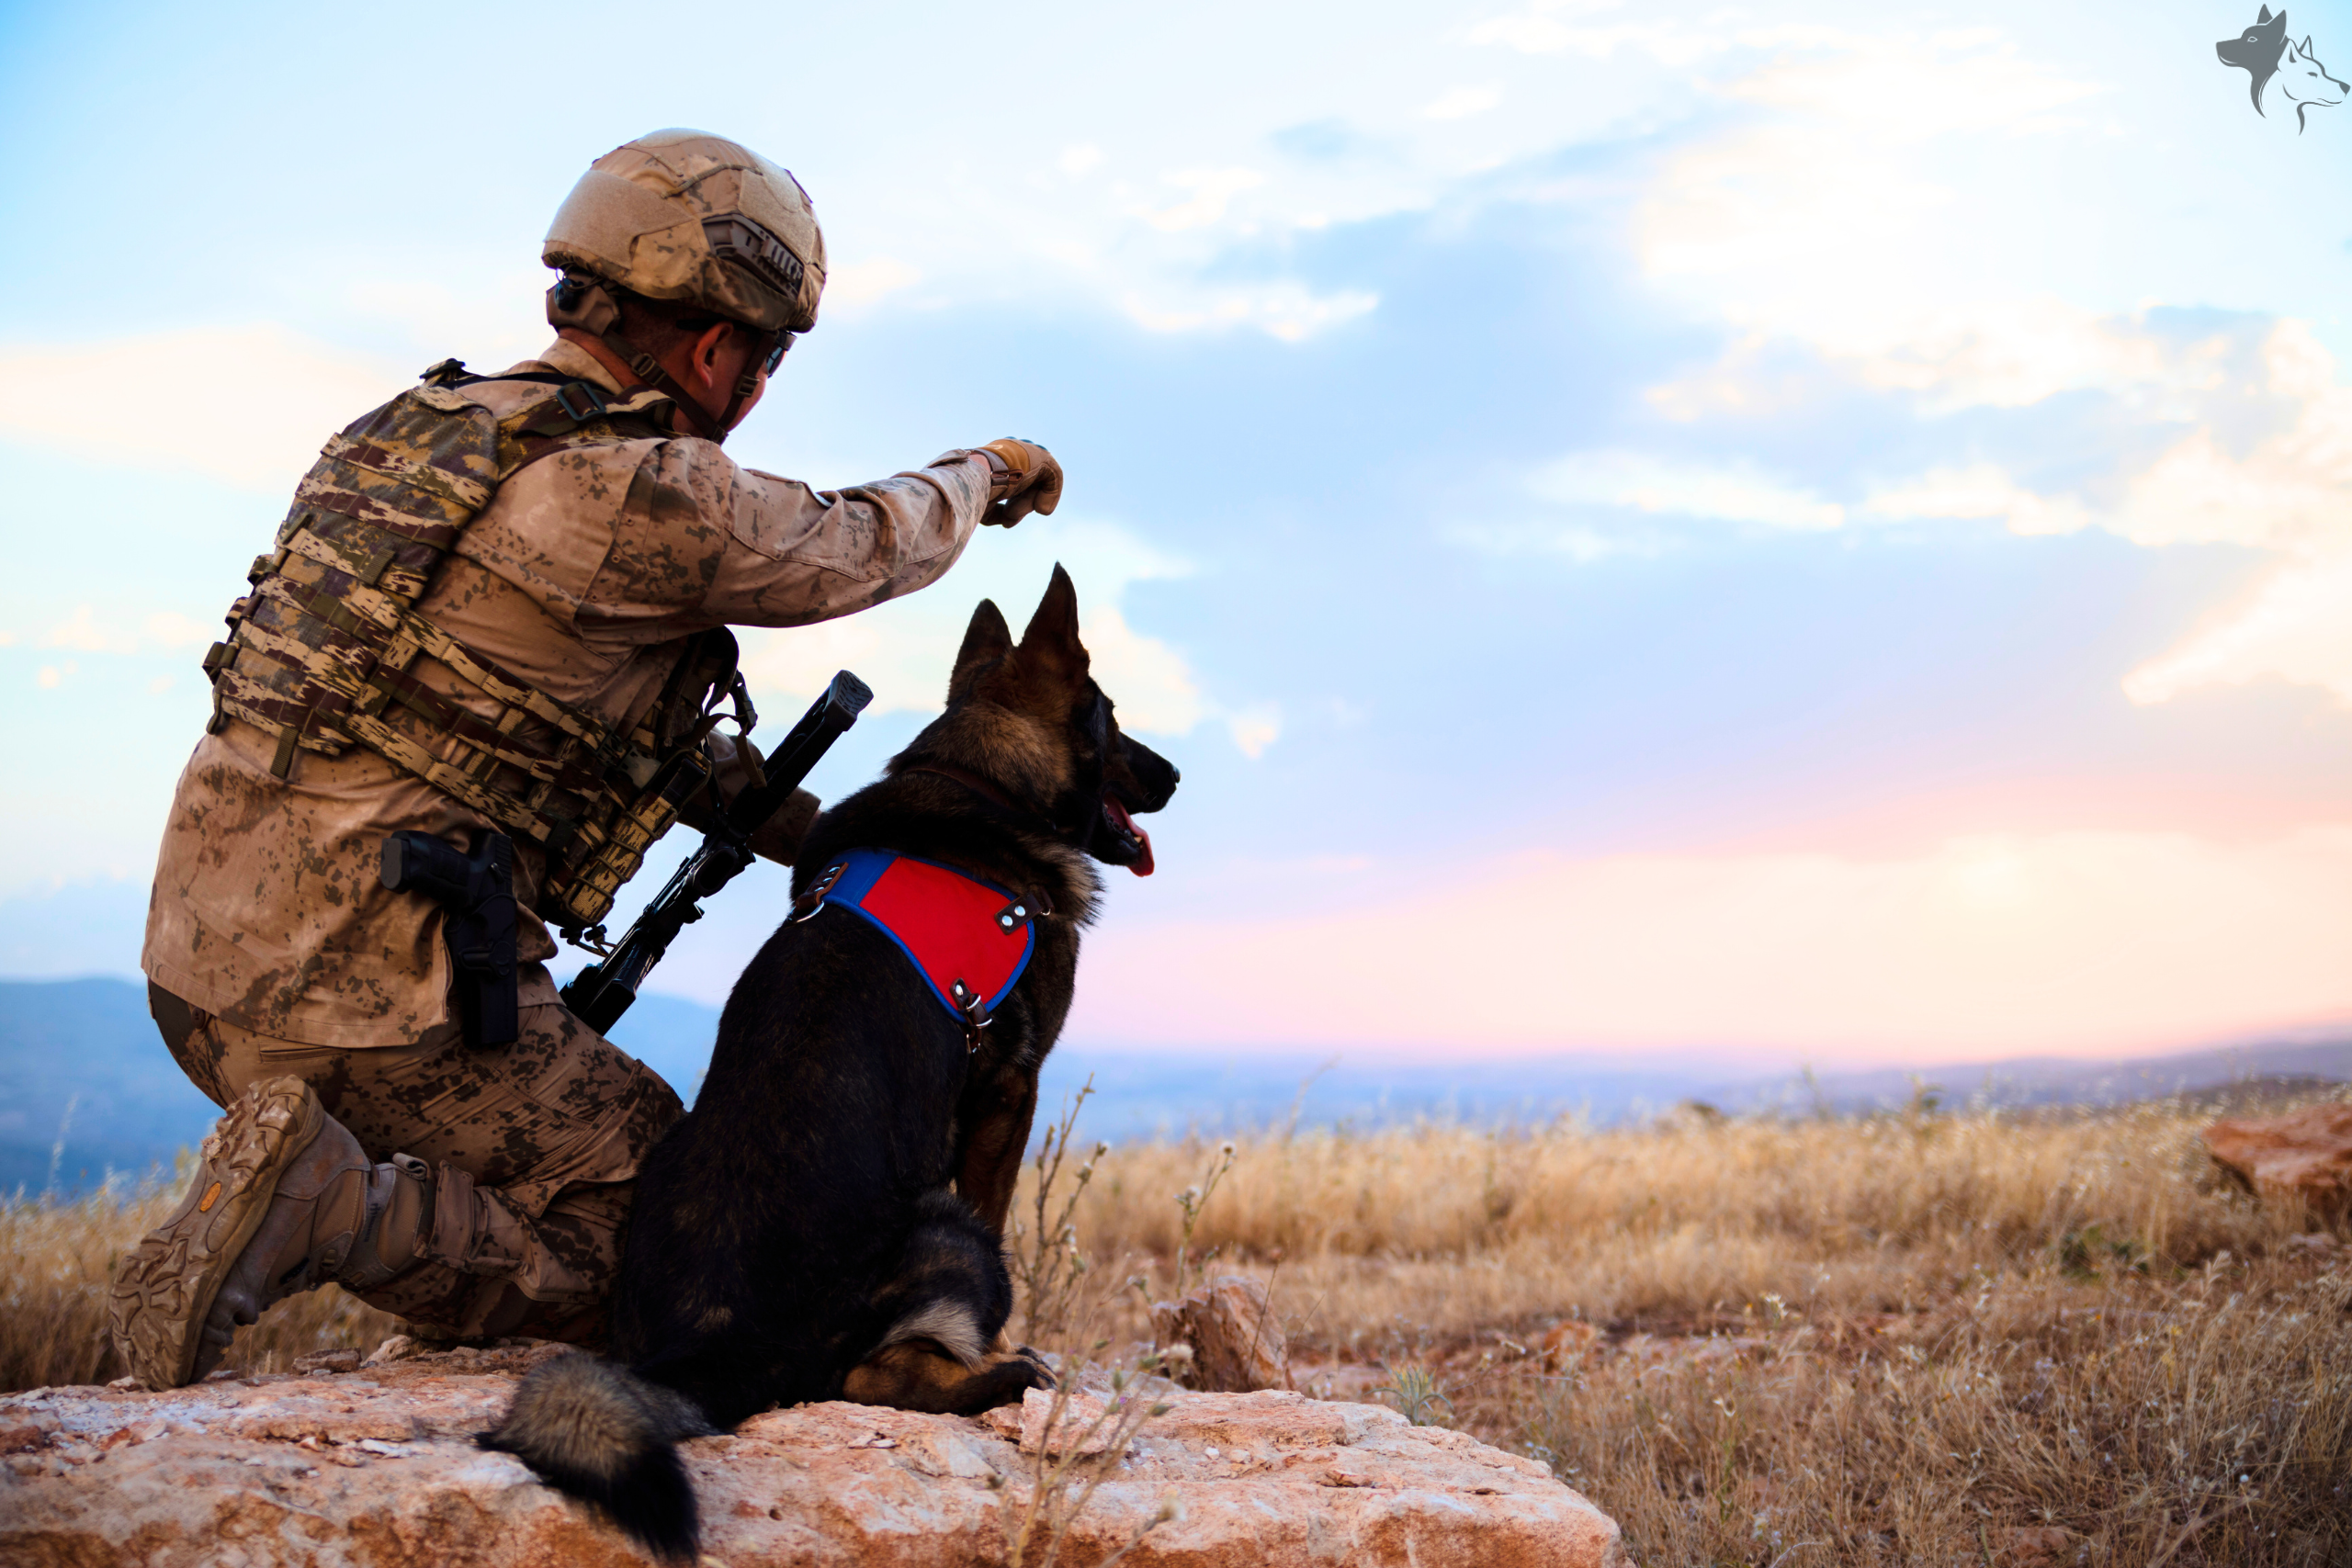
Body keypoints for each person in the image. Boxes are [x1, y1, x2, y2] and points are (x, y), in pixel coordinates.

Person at [109, 130, 1063, 1391]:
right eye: (764, 361)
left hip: (197, 965)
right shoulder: (644, 491)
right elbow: (858, 545)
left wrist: (829, 832)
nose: (757, 390)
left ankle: (385, 1222)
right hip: (365, 997)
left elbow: (554, 725)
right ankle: (331, 1201)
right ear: (720, 349)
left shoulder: (416, 431)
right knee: (672, 1230)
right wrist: (986, 471)